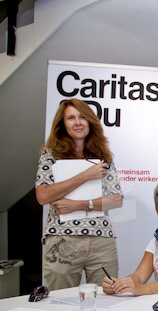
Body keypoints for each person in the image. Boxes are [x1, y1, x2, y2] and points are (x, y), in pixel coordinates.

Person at [35, 99, 123, 290]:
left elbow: (116, 200)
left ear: (90, 122)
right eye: (71, 118)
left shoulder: (103, 156)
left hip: (101, 240)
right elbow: (43, 196)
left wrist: (78, 205)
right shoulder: (51, 155)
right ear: (62, 123)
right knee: (60, 301)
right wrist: (86, 175)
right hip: (62, 240)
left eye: (83, 117)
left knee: (105, 300)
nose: (78, 122)